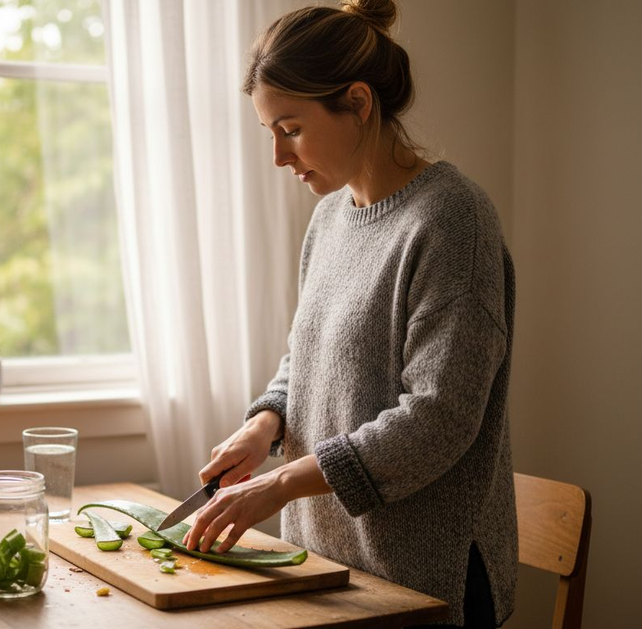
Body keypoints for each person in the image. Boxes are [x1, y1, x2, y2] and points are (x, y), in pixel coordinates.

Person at [181, 1, 516, 627]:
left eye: (291, 128)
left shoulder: (452, 220)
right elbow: (308, 357)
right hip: (326, 565)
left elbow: (438, 420)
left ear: (358, 103)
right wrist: (266, 424)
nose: (279, 156)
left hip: (421, 581)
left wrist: (278, 485)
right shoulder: (331, 217)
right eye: (270, 133)